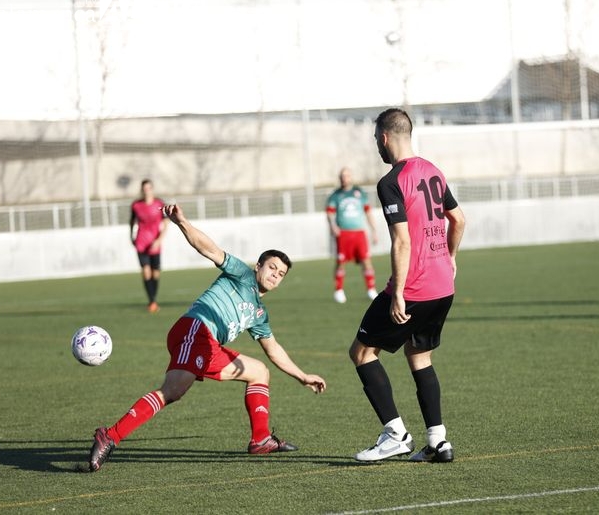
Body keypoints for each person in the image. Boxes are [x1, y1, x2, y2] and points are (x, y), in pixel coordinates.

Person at [88, 203, 327, 472]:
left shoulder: (260, 312)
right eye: (272, 267)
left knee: (259, 371)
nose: (275, 275)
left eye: (281, 274)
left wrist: (303, 376)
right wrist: (182, 222)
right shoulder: (241, 273)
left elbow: (273, 350)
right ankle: (110, 436)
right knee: (172, 391)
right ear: (258, 265)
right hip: (196, 329)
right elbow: (208, 248)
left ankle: (261, 439)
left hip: (208, 345)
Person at [348, 108, 466, 463]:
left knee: (362, 352)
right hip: (443, 286)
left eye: (375, 140)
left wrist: (396, 292)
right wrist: (450, 256)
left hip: (413, 288)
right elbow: (458, 219)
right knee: (419, 355)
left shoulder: (390, 182)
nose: (376, 146)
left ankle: (395, 433)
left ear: (384, 138)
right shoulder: (432, 170)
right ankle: (438, 442)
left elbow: (401, 242)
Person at [326, 167, 379, 303]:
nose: (345, 178)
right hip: (343, 234)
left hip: (359, 233)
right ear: (340, 178)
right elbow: (330, 213)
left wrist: (374, 231)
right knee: (341, 263)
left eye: (347, 175)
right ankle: (338, 290)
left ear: (351, 177)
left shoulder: (359, 193)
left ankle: (371, 289)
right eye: (342, 176)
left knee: (366, 262)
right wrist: (333, 226)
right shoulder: (335, 195)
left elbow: (368, 212)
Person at [130, 179, 168, 312]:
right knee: (146, 272)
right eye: (144, 189)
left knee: (155, 273)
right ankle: (152, 301)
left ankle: (153, 299)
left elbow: (166, 224)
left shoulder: (160, 204)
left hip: (155, 243)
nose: (147, 191)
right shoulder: (136, 205)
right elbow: (132, 222)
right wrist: (132, 237)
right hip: (142, 243)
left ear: (152, 189)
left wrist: (159, 240)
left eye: (149, 188)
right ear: (142, 190)